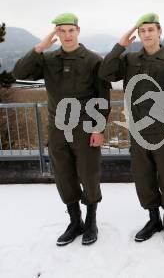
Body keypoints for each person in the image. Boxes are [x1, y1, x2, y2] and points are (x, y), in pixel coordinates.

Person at [13, 13, 111, 246]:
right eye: (61, 31)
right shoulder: (48, 59)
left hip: (85, 127)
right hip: (58, 128)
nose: (66, 35)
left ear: (78, 30)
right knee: (63, 176)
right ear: (56, 33)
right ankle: (75, 221)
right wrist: (40, 46)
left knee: (89, 175)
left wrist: (98, 128)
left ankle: (91, 221)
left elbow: (102, 97)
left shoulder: (93, 60)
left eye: (70, 30)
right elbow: (19, 73)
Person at [98, 13, 164, 245]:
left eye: (151, 30)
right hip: (139, 132)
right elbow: (105, 72)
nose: (147, 34)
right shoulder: (130, 60)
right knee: (143, 178)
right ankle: (153, 219)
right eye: (142, 31)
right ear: (138, 35)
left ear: (160, 31)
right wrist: (120, 46)